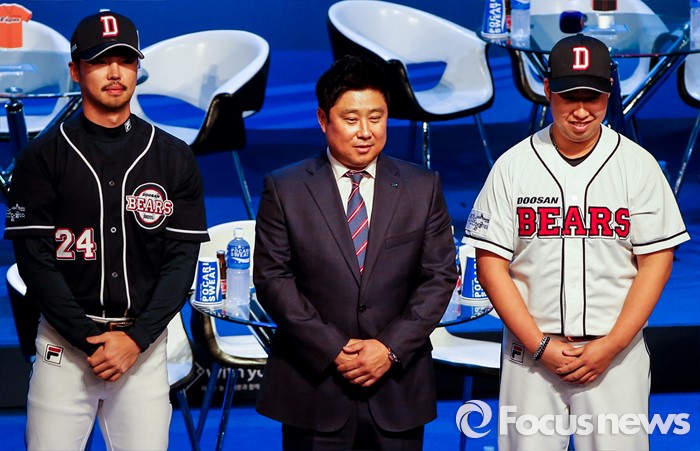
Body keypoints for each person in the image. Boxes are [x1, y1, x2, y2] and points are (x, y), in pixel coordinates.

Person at [464, 34, 690, 450]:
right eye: (570, 96)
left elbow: (657, 261)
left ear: (610, 90)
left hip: (615, 354)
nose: (582, 110)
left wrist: (612, 345)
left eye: (593, 96)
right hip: (530, 356)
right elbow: (490, 264)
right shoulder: (512, 166)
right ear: (548, 88)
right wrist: (540, 346)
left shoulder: (637, 166)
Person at [4, 11, 209, 450]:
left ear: (137, 68)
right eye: (100, 60)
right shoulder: (41, 157)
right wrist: (89, 339)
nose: (115, 72)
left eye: (125, 59)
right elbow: (36, 264)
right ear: (76, 71)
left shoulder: (174, 157)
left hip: (143, 348)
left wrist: (135, 340)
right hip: (64, 347)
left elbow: (180, 263)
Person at [253, 56, 458, 450]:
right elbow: (273, 279)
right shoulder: (285, 188)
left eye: (376, 118)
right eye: (351, 119)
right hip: (314, 388)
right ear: (323, 119)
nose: (365, 131)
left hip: (397, 386)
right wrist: (333, 348)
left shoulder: (422, 186)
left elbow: (439, 276)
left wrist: (389, 347)